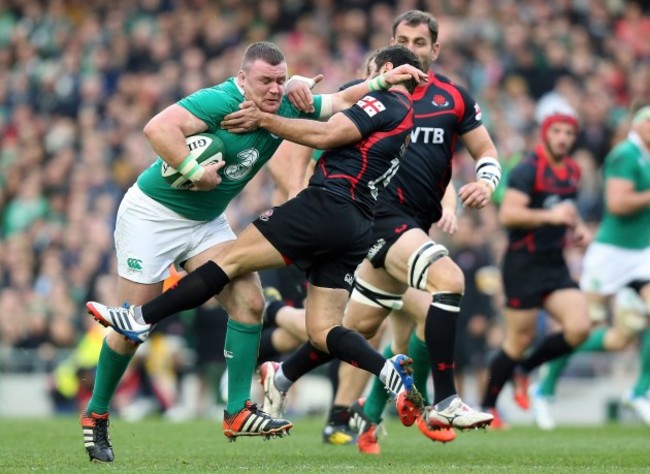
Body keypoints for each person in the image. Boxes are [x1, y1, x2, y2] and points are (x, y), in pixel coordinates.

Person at [79, 41, 424, 463]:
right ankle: (96, 414)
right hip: (152, 216)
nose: (275, 89)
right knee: (132, 332)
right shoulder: (220, 100)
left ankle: (238, 410)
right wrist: (194, 171)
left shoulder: (286, 105)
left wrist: (381, 80)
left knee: (250, 302)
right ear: (242, 79)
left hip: (205, 223)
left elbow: (340, 101)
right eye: (265, 81)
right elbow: (157, 129)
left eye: (281, 79)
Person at [259, 10, 498, 455]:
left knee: (350, 329)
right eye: (402, 40)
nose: (411, 48)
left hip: (412, 224)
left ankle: (283, 374)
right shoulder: (373, 95)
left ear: (435, 49)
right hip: (379, 220)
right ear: (390, 45)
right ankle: (443, 400)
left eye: (420, 42)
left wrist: (487, 181)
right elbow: (317, 119)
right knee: (448, 282)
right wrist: (294, 96)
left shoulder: (453, 98)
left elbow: (486, 151)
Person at [531, 102, 650, 430]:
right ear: (636, 124)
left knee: (622, 339)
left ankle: (640, 391)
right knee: (582, 327)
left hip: (641, 254)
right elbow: (618, 202)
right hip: (611, 253)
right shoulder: (626, 154)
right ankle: (546, 387)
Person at [479, 108, 592, 428]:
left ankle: (523, 370)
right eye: (557, 131)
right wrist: (551, 219)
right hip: (523, 262)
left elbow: (564, 209)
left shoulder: (572, 171)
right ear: (546, 133)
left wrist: (578, 227)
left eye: (569, 133)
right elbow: (509, 215)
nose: (563, 138)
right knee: (519, 339)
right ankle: (489, 406)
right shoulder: (528, 169)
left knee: (580, 326)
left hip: (553, 262)